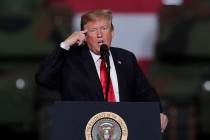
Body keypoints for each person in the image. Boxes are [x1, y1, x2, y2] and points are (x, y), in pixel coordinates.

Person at [35, 9, 168, 132]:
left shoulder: (126, 58)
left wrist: (158, 112)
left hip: (123, 131)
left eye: (104, 28)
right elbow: (43, 78)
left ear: (112, 32)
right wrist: (65, 45)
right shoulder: (71, 61)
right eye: (93, 30)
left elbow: (146, 93)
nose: (100, 35)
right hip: (80, 131)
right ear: (84, 36)